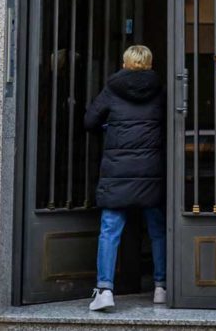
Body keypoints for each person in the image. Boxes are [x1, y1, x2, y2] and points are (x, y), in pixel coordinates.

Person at [84, 44, 166, 312]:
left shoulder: (112, 89)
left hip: (117, 171)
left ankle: (105, 289)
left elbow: (90, 121)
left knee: (110, 230)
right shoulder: (160, 91)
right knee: (156, 230)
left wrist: (111, 129)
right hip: (150, 171)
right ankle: (160, 287)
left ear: (125, 63)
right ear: (150, 63)